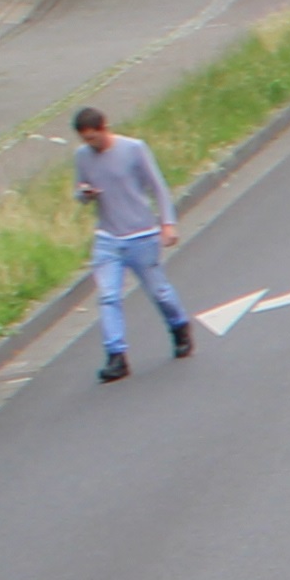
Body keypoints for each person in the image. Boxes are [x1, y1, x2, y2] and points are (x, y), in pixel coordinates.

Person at [65, 104, 193, 380]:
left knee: (158, 292)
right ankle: (116, 355)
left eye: (93, 138)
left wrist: (167, 223)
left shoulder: (134, 149)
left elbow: (157, 186)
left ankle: (179, 326)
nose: (90, 145)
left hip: (141, 234)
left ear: (104, 128)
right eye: (85, 140)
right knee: (108, 296)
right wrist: (85, 194)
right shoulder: (82, 157)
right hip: (108, 237)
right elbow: (79, 191)